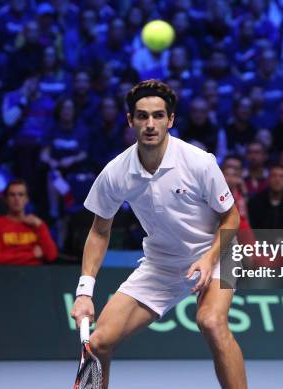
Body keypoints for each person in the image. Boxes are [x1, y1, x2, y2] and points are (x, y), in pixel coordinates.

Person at [70, 80, 247, 389]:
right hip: (161, 264)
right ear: (130, 120)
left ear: (171, 120)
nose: (150, 124)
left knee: (211, 322)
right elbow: (99, 230)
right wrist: (85, 291)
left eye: (158, 115)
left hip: (218, 255)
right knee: (98, 344)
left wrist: (208, 260)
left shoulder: (198, 162)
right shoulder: (116, 172)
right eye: (142, 116)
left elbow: (231, 216)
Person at [0, 179, 58, 265]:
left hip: (35, 274)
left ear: (27, 199)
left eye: (21, 195)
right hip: (7, 274)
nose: (16, 198)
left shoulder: (36, 224)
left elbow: (52, 256)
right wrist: (32, 255)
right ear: (6, 199)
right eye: (12, 195)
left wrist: (41, 226)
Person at [248, 164, 283, 229]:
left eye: (282, 176)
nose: (277, 180)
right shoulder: (255, 203)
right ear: (268, 180)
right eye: (274, 176)